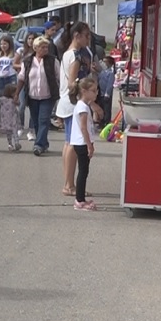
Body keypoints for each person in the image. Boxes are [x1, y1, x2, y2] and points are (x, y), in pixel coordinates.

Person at [55, 22, 99, 197]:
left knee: (69, 143)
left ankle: (68, 183)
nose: (88, 39)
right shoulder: (74, 56)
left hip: (70, 102)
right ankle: (69, 185)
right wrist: (91, 103)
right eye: (86, 35)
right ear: (77, 36)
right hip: (73, 103)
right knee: (72, 145)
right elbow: (73, 83)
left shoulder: (70, 53)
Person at [18, 36, 60, 156]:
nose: (45, 49)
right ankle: (44, 143)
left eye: (46, 47)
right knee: (36, 122)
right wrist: (16, 94)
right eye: (42, 47)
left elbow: (59, 77)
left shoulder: (53, 61)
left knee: (44, 120)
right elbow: (21, 78)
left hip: (48, 97)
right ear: (35, 48)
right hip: (32, 97)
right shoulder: (27, 61)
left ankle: (39, 145)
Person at [69, 75, 100, 211]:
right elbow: (83, 127)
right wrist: (89, 145)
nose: (96, 93)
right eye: (93, 90)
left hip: (82, 142)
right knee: (83, 171)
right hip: (81, 143)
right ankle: (79, 200)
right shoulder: (82, 107)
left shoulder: (84, 106)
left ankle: (80, 198)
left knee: (84, 171)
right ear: (84, 91)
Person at [0, 35, 19, 118]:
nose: (3, 46)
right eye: (1, 44)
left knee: (11, 98)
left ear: (9, 44)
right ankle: (1, 117)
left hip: (11, 77)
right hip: (0, 78)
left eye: (5, 44)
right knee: (1, 99)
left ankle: (11, 117)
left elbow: (17, 66)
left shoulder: (14, 55)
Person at [18, 32, 38, 140]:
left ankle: (31, 130)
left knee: (32, 107)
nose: (31, 40)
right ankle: (20, 126)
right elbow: (14, 63)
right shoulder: (21, 51)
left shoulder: (38, 52)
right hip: (23, 81)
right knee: (21, 105)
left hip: (34, 82)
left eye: (33, 38)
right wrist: (24, 65)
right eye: (29, 38)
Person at [0, 82, 22, 152]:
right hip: (6, 119)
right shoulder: (3, 99)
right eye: (14, 92)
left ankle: (16, 143)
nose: (15, 94)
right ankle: (10, 144)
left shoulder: (14, 100)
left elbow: (19, 103)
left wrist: (16, 101)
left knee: (15, 131)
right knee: (9, 133)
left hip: (13, 118)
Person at [97, 56, 116, 128]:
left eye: (105, 62)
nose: (103, 63)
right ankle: (101, 122)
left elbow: (109, 85)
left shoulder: (110, 73)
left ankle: (107, 122)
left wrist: (107, 94)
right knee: (101, 108)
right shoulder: (102, 71)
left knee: (107, 109)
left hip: (106, 94)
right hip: (100, 93)